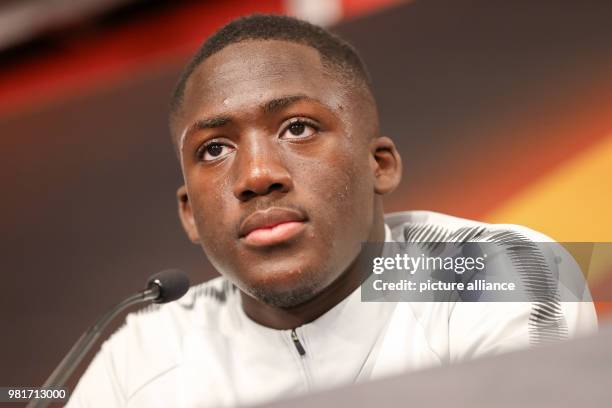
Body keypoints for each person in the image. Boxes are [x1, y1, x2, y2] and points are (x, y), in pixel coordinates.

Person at [66, 14, 597, 407]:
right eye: (214, 149)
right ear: (189, 214)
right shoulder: (144, 350)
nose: (255, 176)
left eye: (298, 128)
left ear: (379, 166)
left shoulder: (497, 272)